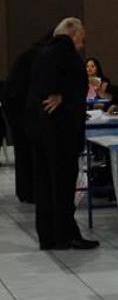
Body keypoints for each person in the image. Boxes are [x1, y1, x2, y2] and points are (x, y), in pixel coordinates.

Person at [25, 18, 99, 250]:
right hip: (61, 132)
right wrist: (65, 97)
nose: (82, 43)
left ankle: (49, 236)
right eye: (81, 37)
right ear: (71, 33)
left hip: (40, 129)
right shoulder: (65, 53)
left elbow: (40, 88)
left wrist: (58, 95)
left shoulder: (42, 53)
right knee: (63, 184)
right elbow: (74, 86)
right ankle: (65, 234)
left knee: (45, 184)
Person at [1, 30, 52, 203]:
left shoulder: (33, 52)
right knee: (28, 148)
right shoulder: (40, 55)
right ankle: (30, 192)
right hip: (19, 106)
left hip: (15, 103)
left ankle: (26, 191)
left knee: (23, 149)